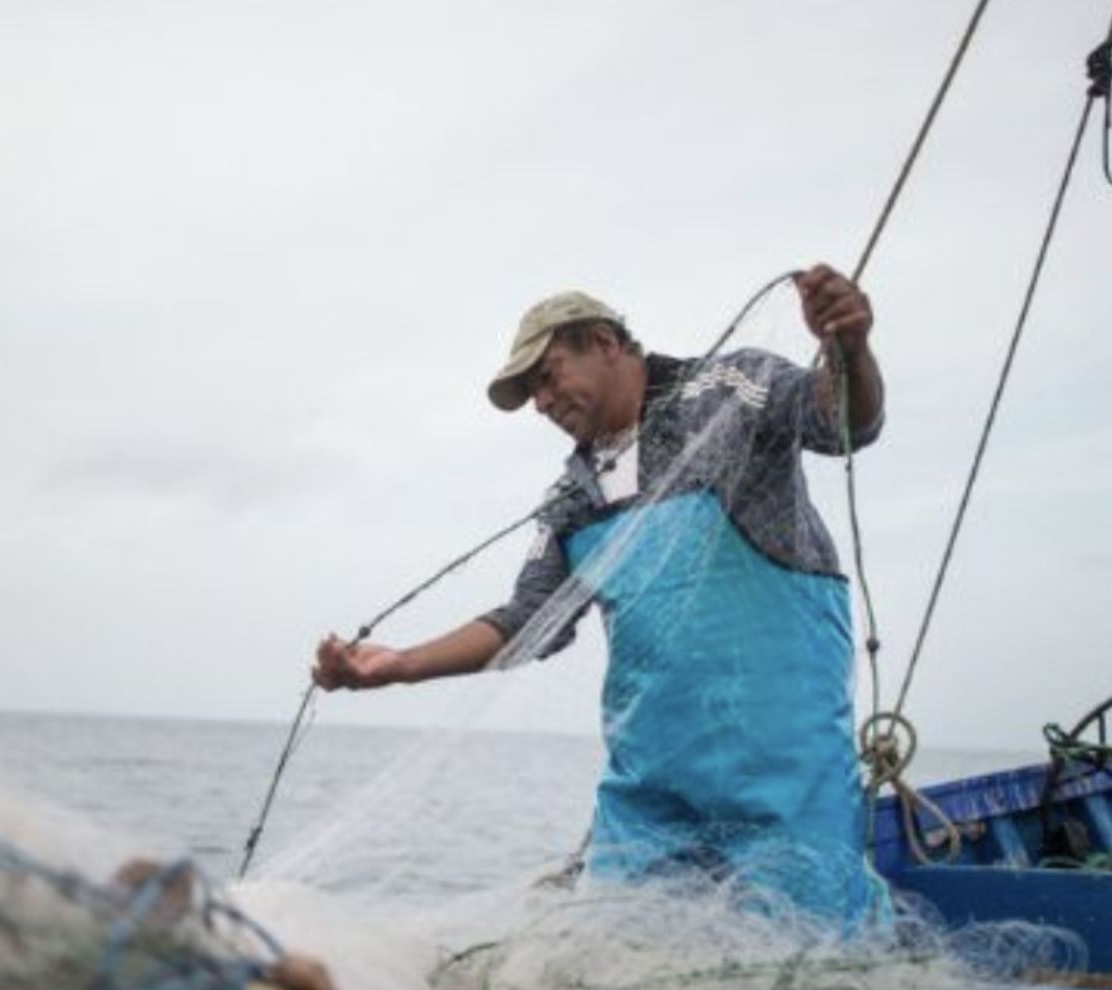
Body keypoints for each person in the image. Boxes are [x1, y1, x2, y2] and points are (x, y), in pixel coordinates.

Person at [312, 266, 888, 923]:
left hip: (782, 772)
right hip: (650, 790)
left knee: (807, 937)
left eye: (549, 374)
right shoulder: (572, 497)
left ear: (606, 343)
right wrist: (398, 667)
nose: (542, 401)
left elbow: (841, 422)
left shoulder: (731, 388)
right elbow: (530, 621)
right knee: (605, 942)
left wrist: (848, 347)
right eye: (531, 391)